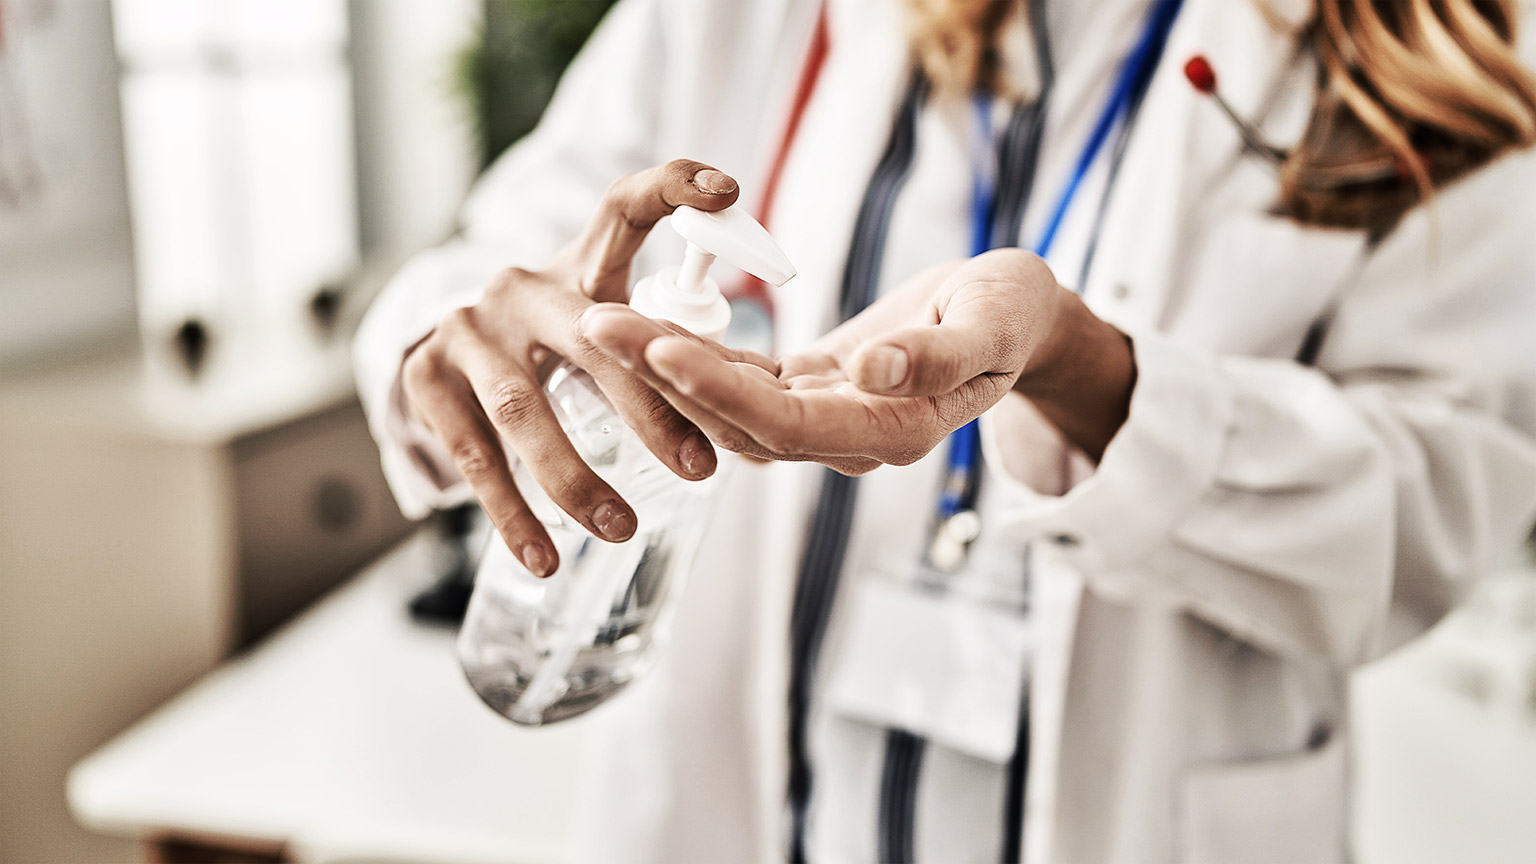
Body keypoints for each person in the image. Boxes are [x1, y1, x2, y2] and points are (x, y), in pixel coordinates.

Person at [354, 0, 1536, 861]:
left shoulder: (1426, 57)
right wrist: (453, 350)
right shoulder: (737, 17)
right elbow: (471, 278)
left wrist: (1091, 377)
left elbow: (1441, 514)